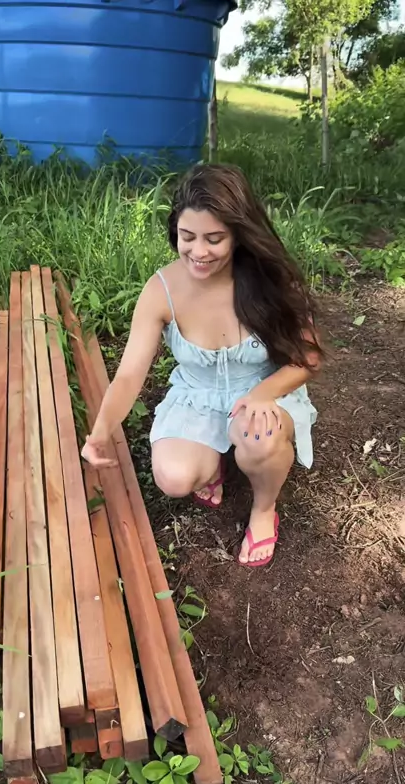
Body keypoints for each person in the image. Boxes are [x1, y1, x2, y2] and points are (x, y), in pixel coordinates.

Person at [82, 164, 323, 567]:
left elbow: (309, 357)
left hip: (263, 390)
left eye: (214, 239)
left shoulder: (269, 279)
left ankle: (264, 509)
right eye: (187, 236)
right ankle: (211, 466)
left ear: (238, 235)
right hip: (198, 394)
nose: (198, 251)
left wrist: (263, 393)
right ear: (175, 230)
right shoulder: (161, 289)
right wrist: (101, 432)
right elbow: (129, 374)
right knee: (174, 478)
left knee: (257, 436)